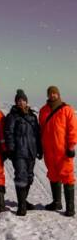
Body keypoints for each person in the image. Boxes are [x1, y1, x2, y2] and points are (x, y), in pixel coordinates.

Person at [39, 86, 77, 217]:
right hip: (49, 150)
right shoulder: (43, 111)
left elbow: (72, 129)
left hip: (63, 150)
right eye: (50, 93)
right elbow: (41, 130)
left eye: (55, 93)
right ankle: (56, 202)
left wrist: (71, 146)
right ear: (48, 95)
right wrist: (40, 147)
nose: (53, 95)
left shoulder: (67, 109)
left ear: (58, 94)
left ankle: (70, 207)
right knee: (53, 174)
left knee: (67, 176)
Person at [5, 89, 42, 216]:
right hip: (19, 152)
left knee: (29, 178)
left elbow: (37, 134)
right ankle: (21, 206)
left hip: (31, 151)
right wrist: (10, 148)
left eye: (23, 100)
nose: (21, 102)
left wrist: (40, 149)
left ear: (27, 102)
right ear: (16, 102)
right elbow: (8, 133)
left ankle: (23, 200)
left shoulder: (33, 116)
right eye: (19, 100)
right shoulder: (12, 116)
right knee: (21, 177)